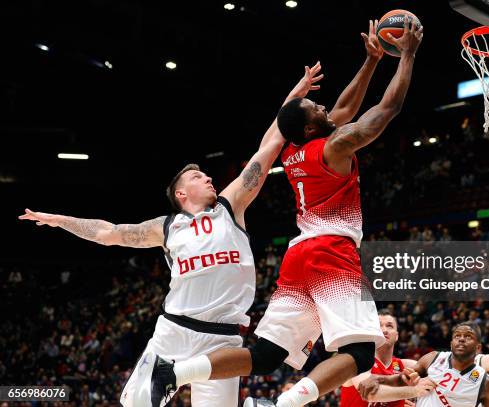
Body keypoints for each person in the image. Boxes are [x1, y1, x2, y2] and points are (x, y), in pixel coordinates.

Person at [138, 17, 424, 407]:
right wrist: (407, 55)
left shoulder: (295, 152)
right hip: (331, 252)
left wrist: (372, 62)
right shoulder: (334, 148)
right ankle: (286, 404)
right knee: (358, 354)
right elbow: (386, 109)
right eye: (315, 107)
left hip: (299, 256)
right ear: (310, 127)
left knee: (265, 357)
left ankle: (175, 372)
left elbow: (343, 107)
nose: (325, 106)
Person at [17, 63, 324, 407]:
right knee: (135, 405)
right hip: (173, 333)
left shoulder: (230, 207)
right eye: (198, 177)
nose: (208, 179)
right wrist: (61, 220)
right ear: (181, 194)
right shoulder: (166, 226)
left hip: (222, 341)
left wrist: (295, 96)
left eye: (207, 175)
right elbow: (108, 232)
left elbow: (269, 145)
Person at [359, 322, 489, 407]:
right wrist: (377, 379)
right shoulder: (432, 359)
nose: (461, 339)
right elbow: (400, 379)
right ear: (451, 344)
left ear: (478, 347)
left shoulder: (486, 382)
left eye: (468, 337)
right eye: (457, 336)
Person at [340, 310, 433, 406]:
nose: (384, 330)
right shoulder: (358, 360)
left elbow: (439, 371)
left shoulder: (404, 365)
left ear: (396, 336)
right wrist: (414, 391)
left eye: (389, 326)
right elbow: (370, 393)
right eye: (379, 326)